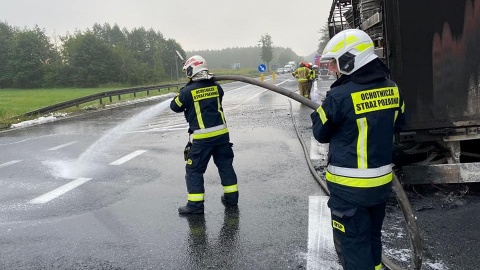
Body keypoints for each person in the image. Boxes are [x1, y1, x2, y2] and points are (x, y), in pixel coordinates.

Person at [310, 29, 405, 270]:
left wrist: (329, 105)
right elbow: (400, 123)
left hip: (349, 191)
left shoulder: (340, 96)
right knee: (373, 240)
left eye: (335, 63)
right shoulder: (392, 88)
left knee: (353, 247)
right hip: (381, 186)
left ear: (351, 59)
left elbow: (320, 132)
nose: (332, 70)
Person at [170, 55, 239, 215]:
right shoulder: (217, 87)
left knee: (194, 170)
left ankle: (195, 206)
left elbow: (175, 106)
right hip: (222, 136)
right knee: (225, 166)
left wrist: (181, 93)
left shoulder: (187, 92)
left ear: (191, 70)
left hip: (203, 139)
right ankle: (231, 200)